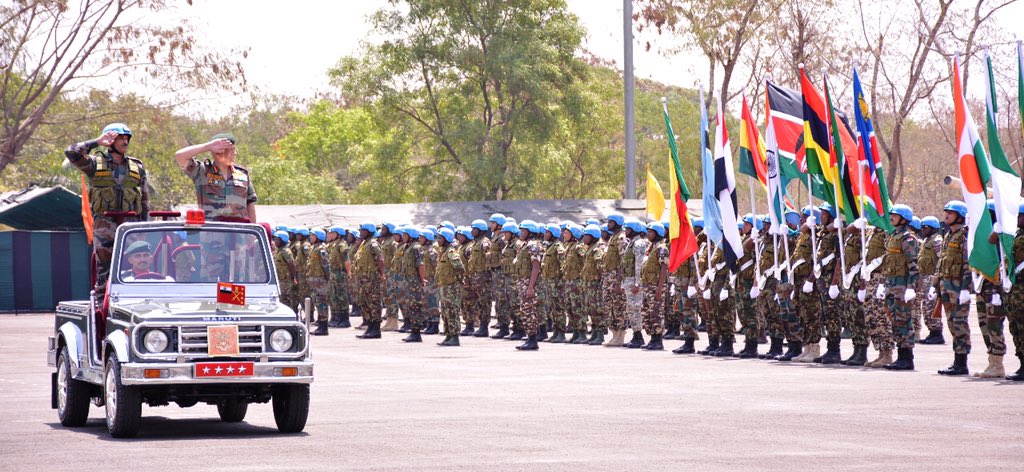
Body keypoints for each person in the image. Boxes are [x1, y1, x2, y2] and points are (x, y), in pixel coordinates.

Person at [65, 123, 150, 298]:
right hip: (104, 228)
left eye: (127, 137)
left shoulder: (137, 167)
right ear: (110, 141)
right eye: (120, 138)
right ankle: (101, 314)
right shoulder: (94, 164)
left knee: (134, 273)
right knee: (104, 272)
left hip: (131, 229)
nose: (125, 141)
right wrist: (97, 142)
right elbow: (71, 152)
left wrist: (145, 229)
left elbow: (144, 201)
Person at [173, 133, 257, 222]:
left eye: (234, 149)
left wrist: (252, 231)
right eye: (231, 150)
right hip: (213, 231)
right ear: (218, 153)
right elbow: (179, 156)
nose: (234, 153)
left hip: (239, 232)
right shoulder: (202, 172)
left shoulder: (243, 174)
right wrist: (208, 146)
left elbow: (250, 203)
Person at [881, 204, 920, 371]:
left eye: (895, 216)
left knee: (904, 321)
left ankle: (907, 358)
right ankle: (900, 356)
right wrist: (884, 284)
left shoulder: (907, 238)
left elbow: (913, 265)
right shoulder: (892, 236)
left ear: (904, 218)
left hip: (903, 286)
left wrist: (911, 287)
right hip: (892, 285)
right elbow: (888, 263)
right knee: (896, 322)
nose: (892, 218)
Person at [935, 201, 972, 376]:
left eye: (950, 212)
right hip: (946, 286)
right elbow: (943, 262)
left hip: (958, 287)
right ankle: (957, 359)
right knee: (951, 323)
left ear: (959, 216)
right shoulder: (949, 235)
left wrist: (966, 287)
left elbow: (967, 263)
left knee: (960, 323)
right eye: (946, 212)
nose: (946, 215)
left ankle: (962, 362)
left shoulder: (964, 235)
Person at [512, 220, 544, 351]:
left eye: (523, 230)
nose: (521, 233)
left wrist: (531, 287)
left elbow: (536, 267)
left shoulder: (533, 245)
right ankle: (530, 338)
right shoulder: (525, 245)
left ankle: (532, 340)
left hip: (529, 283)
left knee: (529, 311)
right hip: (523, 281)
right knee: (525, 311)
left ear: (530, 232)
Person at [353, 222, 386, 339]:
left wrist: (382, 274)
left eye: (363, 230)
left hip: (372, 279)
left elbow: (380, 259)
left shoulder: (373, 244)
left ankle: (376, 329)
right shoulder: (364, 244)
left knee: (374, 303)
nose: (361, 232)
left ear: (368, 232)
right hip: (364, 279)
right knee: (365, 302)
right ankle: (370, 326)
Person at [639, 222, 669, 350]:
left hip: (655, 286)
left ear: (657, 233)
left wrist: (659, 288)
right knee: (647, 313)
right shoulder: (650, 247)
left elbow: (664, 268)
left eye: (651, 232)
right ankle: (652, 337)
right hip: (647, 286)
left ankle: (658, 340)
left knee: (656, 313)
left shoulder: (662, 248)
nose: (648, 234)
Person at [620, 219, 650, 349]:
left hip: (634, 280)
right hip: (629, 279)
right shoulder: (632, 243)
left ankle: (639, 336)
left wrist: (638, 283)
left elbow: (639, 265)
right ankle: (636, 334)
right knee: (630, 309)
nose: (625, 231)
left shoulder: (638, 244)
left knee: (635, 308)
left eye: (627, 229)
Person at [917, 216, 945, 344]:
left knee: (931, 306)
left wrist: (937, 279)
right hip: (924, 277)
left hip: (932, 277)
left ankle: (937, 333)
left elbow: (941, 259)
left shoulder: (937, 241)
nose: (923, 229)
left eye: (925, 227)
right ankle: (932, 332)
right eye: (922, 227)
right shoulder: (926, 240)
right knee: (926, 307)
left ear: (933, 228)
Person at [435, 228, 465, 346]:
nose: (438, 240)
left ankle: (454, 336)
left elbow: (460, 268)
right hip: (444, 286)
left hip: (452, 287)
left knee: (452, 311)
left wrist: (457, 281)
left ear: (446, 239)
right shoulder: (443, 251)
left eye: (440, 238)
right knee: (445, 311)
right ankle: (448, 335)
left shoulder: (451, 252)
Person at [602, 212, 629, 347]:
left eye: (611, 222)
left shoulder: (621, 239)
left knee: (618, 307)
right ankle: (614, 335)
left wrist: (619, 282)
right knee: (609, 307)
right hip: (608, 277)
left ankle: (620, 336)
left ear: (618, 223)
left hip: (616, 278)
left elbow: (623, 262)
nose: (608, 225)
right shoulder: (613, 238)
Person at [539, 224, 567, 342]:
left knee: (558, 308)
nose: (545, 235)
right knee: (552, 308)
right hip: (548, 282)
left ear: (553, 234)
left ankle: (561, 333)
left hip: (556, 283)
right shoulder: (549, 247)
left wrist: (561, 281)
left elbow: (563, 265)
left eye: (547, 232)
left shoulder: (558, 247)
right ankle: (555, 332)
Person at [580, 224, 606, 345]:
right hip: (588, 283)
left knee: (597, 309)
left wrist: (601, 281)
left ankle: (600, 334)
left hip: (595, 285)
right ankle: (595, 332)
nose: (584, 238)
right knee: (590, 308)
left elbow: (600, 265)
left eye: (587, 236)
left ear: (593, 236)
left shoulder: (596, 250)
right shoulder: (588, 248)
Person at [306, 229, 331, 336]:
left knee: (322, 303)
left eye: (313, 235)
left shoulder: (321, 249)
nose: (311, 237)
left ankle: (323, 326)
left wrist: (326, 278)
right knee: (317, 302)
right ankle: (320, 325)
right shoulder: (313, 248)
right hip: (314, 280)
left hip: (320, 280)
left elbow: (325, 264)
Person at [326, 227, 352, 328]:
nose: (330, 235)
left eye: (333, 233)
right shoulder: (334, 245)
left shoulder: (342, 245)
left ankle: (345, 319)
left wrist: (349, 271)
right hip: (334, 274)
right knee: (334, 296)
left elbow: (347, 259)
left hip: (340, 273)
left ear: (338, 234)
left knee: (342, 296)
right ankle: (337, 318)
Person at [272, 231, 298, 310]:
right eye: (275, 239)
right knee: (281, 299)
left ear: (282, 240)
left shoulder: (286, 251)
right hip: (280, 279)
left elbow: (292, 265)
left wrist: (294, 278)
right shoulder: (278, 250)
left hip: (286, 280)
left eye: (277, 240)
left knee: (287, 300)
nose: (275, 241)